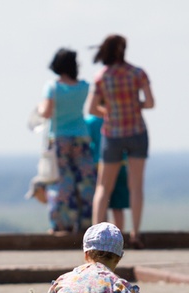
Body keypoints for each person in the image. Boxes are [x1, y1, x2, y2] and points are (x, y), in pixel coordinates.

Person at [87, 34, 154, 249]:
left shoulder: (102, 76)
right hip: (136, 130)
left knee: (103, 187)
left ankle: (95, 240)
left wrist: (110, 110)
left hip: (112, 132)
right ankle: (135, 233)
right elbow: (151, 103)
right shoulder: (137, 73)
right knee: (136, 186)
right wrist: (135, 105)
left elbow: (91, 108)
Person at [38, 48, 96, 235]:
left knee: (61, 183)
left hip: (59, 138)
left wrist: (39, 108)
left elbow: (45, 112)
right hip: (81, 136)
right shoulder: (84, 86)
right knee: (86, 183)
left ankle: (61, 225)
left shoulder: (53, 87)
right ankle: (87, 223)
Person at [86, 114, 130, 230]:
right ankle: (119, 237)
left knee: (102, 199)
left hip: (99, 164)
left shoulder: (90, 121)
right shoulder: (118, 118)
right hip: (121, 163)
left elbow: (87, 143)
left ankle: (97, 236)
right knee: (118, 206)